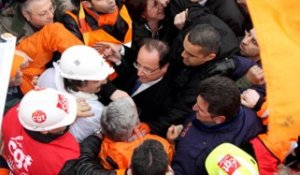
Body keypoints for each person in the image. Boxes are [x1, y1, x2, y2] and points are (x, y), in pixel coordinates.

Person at [168, 76, 264, 175]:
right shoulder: (244, 104)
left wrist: (173, 143)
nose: (193, 108)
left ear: (219, 119)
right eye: (197, 102)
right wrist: (260, 102)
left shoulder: (200, 153)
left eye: (200, 110)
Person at [76, 97, 174, 174]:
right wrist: (171, 142)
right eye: (137, 114)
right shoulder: (162, 146)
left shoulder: (105, 145)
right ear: (135, 127)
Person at [37, 45, 114, 142]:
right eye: (96, 81)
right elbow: (70, 141)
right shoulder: (94, 111)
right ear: (79, 85)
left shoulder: (48, 75)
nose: (104, 82)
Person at [103, 38, 175, 136]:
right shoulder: (141, 68)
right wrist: (118, 61)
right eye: (138, 64)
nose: (139, 72)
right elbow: (128, 76)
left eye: (147, 69)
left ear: (164, 67)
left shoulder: (167, 97)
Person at [1, 88, 80, 175]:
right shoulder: (66, 156)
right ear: (44, 131)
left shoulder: (14, 113)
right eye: (64, 121)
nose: (69, 121)